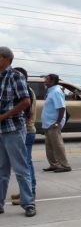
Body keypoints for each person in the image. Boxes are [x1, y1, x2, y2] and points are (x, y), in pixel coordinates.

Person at [0, 46, 35, 216]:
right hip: (1, 130)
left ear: (5, 59)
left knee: (20, 168)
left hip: (13, 128)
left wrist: (4, 115)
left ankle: (28, 204)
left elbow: (25, 101)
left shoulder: (15, 76)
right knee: (1, 170)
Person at [10, 68, 37, 205]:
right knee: (25, 163)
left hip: (26, 131)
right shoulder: (26, 89)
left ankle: (29, 194)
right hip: (27, 131)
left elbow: (25, 113)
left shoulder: (25, 91)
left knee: (25, 164)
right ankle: (25, 192)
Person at [41, 74, 71, 172]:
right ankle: (54, 164)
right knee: (49, 146)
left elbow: (61, 108)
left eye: (47, 79)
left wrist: (58, 122)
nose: (45, 81)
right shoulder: (51, 91)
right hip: (48, 123)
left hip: (53, 123)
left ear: (53, 81)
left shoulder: (56, 92)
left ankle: (65, 165)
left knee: (57, 145)